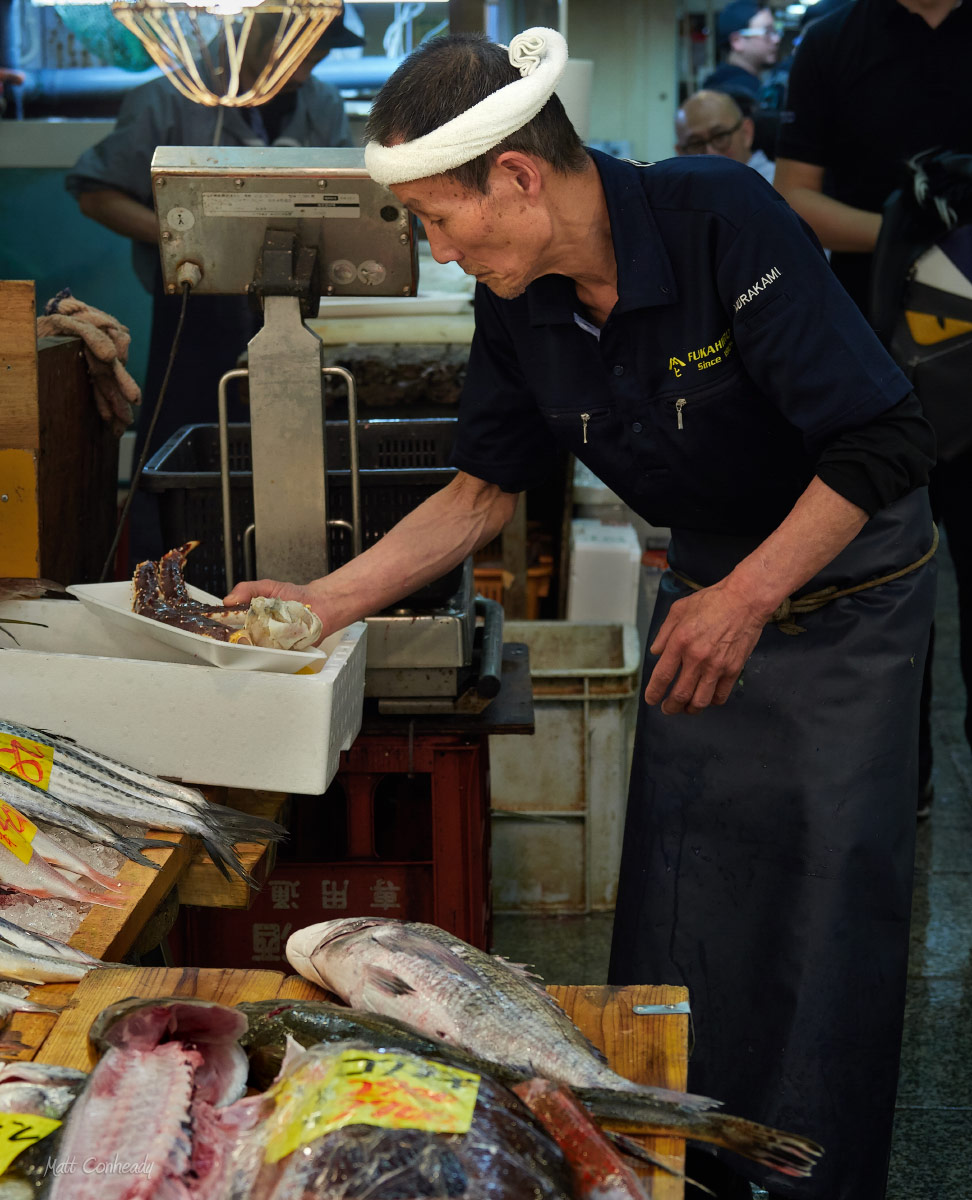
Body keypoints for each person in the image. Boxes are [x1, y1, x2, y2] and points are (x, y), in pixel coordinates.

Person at [226, 26, 936, 1200]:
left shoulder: (720, 219)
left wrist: (753, 597)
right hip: (708, 595)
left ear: (516, 175)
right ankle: (666, 1164)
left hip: (842, 604)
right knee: (677, 902)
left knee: (819, 924)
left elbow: (884, 441)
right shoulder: (523, 298)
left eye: (440, 221)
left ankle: (803, 1177)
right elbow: (480, 495)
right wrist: (319, 603)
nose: (441, 254)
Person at [65, 10, 360, 562]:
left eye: (321, 47)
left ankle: (281, 567)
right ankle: (170, 576)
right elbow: (95, 193)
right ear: (252, 38)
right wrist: (196, 242)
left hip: (290, 303)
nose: (315, 58)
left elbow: (344, 195)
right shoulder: (164, 101)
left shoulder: (322, 103)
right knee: (185, 446)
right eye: (305, 45)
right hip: (194, 313)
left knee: (288, 447)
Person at [774, 0, 972, 819]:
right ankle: (902, 783)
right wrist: (919, 243)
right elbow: (795, 196)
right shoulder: (831, 40)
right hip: (872, 356)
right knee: (887, 577)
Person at [674, 88, 775, 182]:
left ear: (746, 132)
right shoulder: (676, 194)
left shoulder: (778, 187)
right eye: (696, 144)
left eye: (719, 136)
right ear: (680, 153)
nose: (710, 154)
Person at [702, 0, 782, 101]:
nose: (776, 39)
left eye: (775, 31)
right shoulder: (740, 94)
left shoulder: (716, 84)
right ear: (737, 41)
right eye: (767, 32)